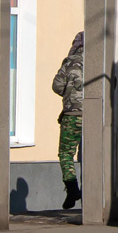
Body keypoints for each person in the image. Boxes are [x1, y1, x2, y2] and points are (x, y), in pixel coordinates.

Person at [52, 32, 84, 209]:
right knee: (93, 154)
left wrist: (70, 92)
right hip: (95, 115)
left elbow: (56, 85)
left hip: (72, 115)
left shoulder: (70, 61)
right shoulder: (100, 60)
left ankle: (72, 188)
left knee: (66, 153)